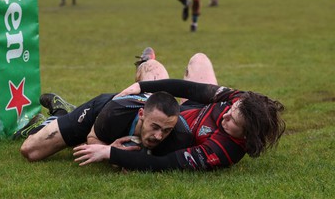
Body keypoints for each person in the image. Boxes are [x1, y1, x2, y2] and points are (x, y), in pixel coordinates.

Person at [73, 52, 286, 172]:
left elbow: (165, 163)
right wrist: (142, 88)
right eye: (230, 110)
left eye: (232, 121)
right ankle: (147, 61)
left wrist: (109, 152)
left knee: (154, 69)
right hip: (191, 107)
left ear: (246, 135)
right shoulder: (240, 101)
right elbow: (190, 89)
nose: (226, 114)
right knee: (199, 59)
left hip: (176, 122)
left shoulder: (222, 151)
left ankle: (149, 64)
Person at [17, 91, 192, 162]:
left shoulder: (181, 134)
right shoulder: (115, 114)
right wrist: (109, 151)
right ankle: (61, 113)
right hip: (98, 112)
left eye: (166, 130)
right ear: (141, 115)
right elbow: (92, 138)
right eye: (154, 127)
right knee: (31, 151)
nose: (159, 136)